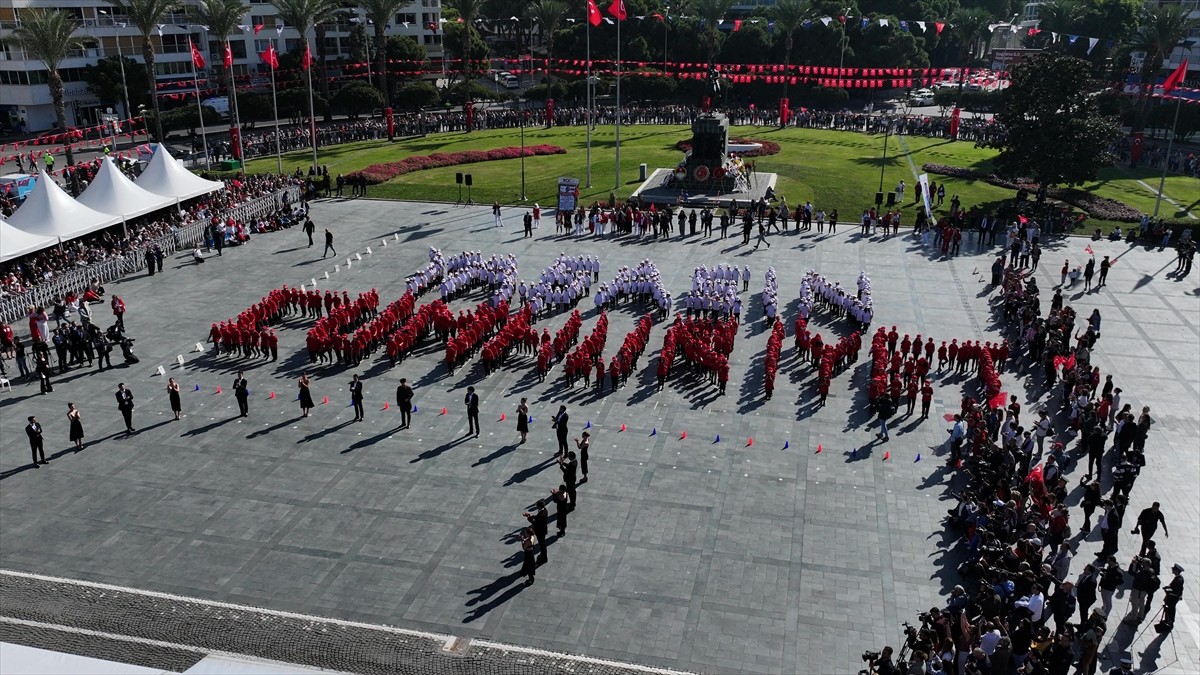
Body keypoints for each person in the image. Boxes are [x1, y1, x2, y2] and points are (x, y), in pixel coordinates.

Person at [523, 500, 549, 564]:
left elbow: (535, 523)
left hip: (540, 531)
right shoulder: (544, 510)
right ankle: (543, 556)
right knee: (542, 544)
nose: (536, 506)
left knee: (542, 545)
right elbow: (537, 518)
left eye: (537, 505)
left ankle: (544, 558)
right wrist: (531, 516)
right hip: (543, 530)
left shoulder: (541, 515)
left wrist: (529, 518)